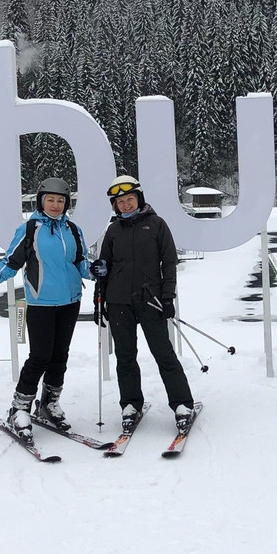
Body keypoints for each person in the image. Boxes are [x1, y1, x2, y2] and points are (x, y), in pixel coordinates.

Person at [0, 177, 93, 440]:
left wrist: (98, 270)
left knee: (60, 356)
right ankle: (19, 408)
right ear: (41, 201)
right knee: (40, 357)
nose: (55, 205)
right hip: (41, 302)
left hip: (70, 301)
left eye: (60, 201)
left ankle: (49, 404)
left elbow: (81, 263)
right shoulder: (30, 229)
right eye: (50, 200)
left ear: (67, 204)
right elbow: (11, 263)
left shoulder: (73, 230)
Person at [94, 174, 195, 434]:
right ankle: (130, 405)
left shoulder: (157, 225)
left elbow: (169, 263)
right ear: (114, 206)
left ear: (139, 199)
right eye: (120, 202)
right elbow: (103, 268)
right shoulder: (113, 230)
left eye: (130, 199)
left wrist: (168, 297)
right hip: (118, 303)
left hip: (150, 301)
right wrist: (99, 300)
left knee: (164, 354)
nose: (125, 205)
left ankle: (182, 404)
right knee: (125, 357)